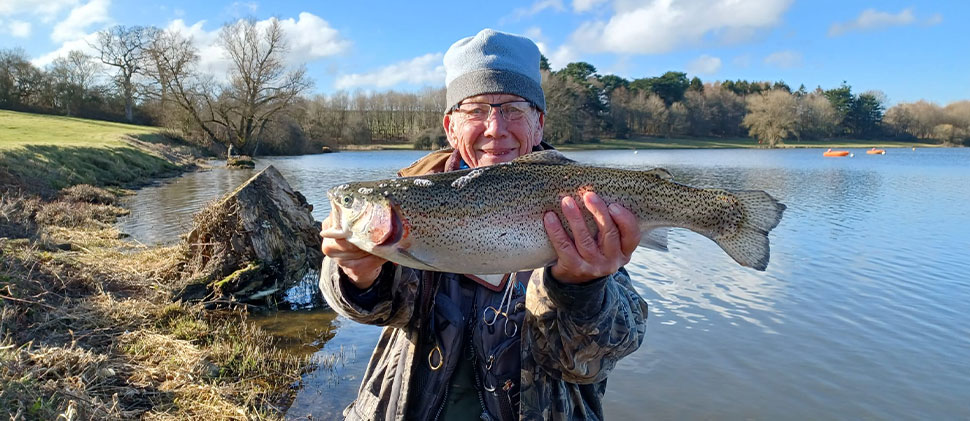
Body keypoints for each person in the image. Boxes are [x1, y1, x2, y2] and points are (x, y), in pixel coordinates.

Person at [319, 28, 648, 421]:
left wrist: (583, 290)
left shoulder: (580, 200)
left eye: (513, 108)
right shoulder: (408, 193)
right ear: (450, 126)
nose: (495, 128)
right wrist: (358, 275)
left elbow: (598, 356)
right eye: (475, 110)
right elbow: (371, 312)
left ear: (539, 122)